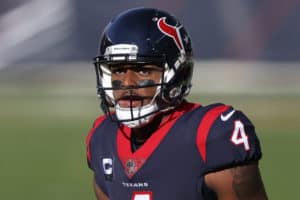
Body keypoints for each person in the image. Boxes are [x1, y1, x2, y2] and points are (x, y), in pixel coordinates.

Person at [86, 7, 268, 200]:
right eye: (119, 70)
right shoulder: (102, 138)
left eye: (143, 71)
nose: (128, 82)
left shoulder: (210, 135)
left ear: (177, 73)